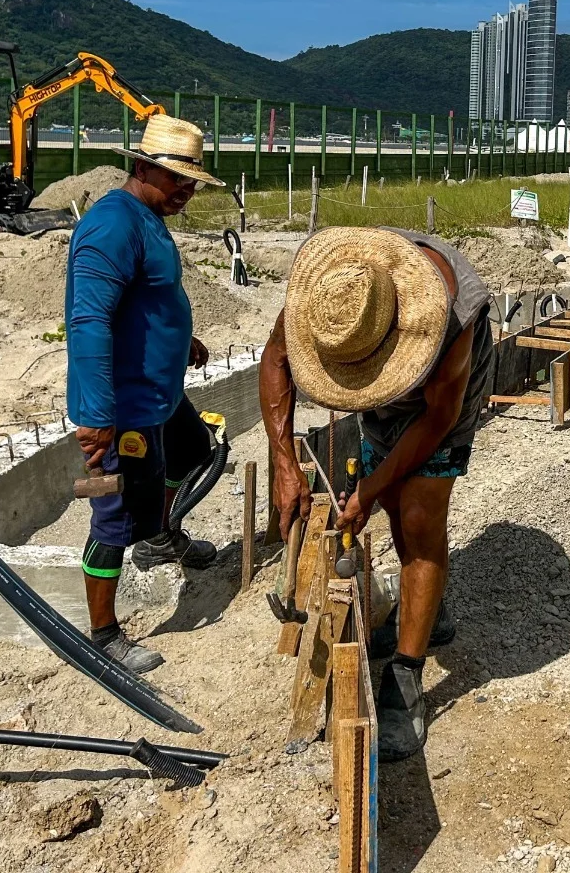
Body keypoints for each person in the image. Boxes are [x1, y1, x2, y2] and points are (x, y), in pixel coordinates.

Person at [260, 227, 495, 762]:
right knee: (390, 500)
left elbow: (436, 419)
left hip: (442, 399)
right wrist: (284, 462)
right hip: (392, 367)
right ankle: (428, 611)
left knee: (418, 515)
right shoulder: (331, 295)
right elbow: (275, 361)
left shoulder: (455, 316)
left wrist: (366, 490)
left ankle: (409, 674)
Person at [66, 114, 225, 674]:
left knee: (192, 453)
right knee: (111, 513)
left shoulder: (149, 217)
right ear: (141, 167)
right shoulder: (112, 225)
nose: (186, 189)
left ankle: (160, 535)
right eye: (175, 177)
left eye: (192, 180)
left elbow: (148, 297)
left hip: (158, 392)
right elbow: (88, 323)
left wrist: (181, 340)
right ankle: (104, 634)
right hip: (121, 407)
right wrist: (96, 417)